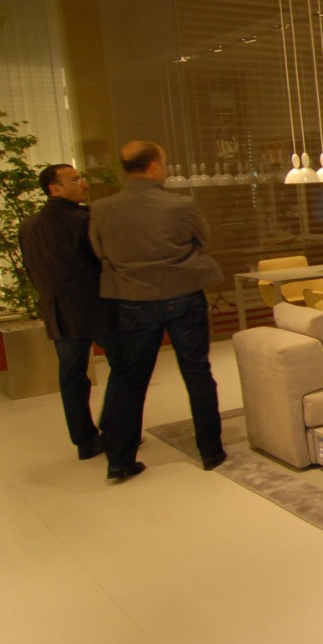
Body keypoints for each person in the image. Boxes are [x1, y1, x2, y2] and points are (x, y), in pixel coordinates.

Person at [88, 141, 226, 482]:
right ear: (153, 167)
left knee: (129, 379)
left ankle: (120, 460)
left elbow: (100, 251)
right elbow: (203, 239)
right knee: (197, 373)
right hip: (183, 295)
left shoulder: (102, 209)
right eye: (164, 163)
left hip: (133, 299)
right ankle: (211, 452)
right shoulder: (180, 205)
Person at [18, 164, 116, 460]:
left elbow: (31, 270)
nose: (83, 183)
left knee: (72, 376)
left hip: (58, 311)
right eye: (75, 180)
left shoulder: (28, 226)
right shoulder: (84, 220)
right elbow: (105, 263)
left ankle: (85, 441)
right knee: (125, 368)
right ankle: (116, 430)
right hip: (98, 306)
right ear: (55, 189)